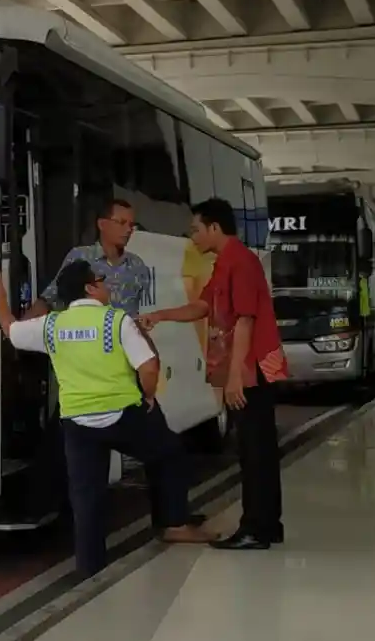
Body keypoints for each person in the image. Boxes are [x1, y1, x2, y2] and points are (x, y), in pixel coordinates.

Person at [0, 260, 214, 578]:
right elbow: (148, 366)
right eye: (102, 280)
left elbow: (10, 329)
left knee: (86, 497)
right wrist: (148, 396)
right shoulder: (116, 320)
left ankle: (91, 569)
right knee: (169, 454)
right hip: (124, 414)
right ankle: (174, 523)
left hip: (78, 423)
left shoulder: (50, 325)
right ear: (90, 288)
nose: (107, 285)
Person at [26, 196, 201, 533]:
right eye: (122, 223)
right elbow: (48, 300)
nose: (128, 230)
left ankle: (171, 519)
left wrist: (149, 357)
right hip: (86, 371)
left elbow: (133, 319)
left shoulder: (136, 267)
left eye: (132, 224)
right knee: (68, 445)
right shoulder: (80, 259)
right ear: (102, 224)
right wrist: (22, 331)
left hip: (128, 372)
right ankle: (58, 514)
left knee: (160, 446)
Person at [140, 198, 289, 550]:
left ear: (214, 228)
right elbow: (203, 306)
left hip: (253, 369)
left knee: (255, 451)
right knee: (256, 449)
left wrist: (236, 375)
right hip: (245, 368)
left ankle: (256, 527)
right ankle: (267, 524)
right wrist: (161, 315)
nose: (192, 237)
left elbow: (245, 321)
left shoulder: (241, 263)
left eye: (195, 229)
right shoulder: (224, 263)